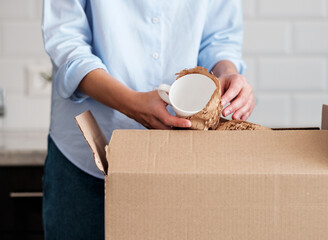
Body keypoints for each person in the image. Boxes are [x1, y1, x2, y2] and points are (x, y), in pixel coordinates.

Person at [41, 0, 255, 239]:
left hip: (183, 161)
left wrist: (228, 74)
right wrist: (130, 103)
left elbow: (219, 39)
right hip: (86, 161)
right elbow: (67, 43)